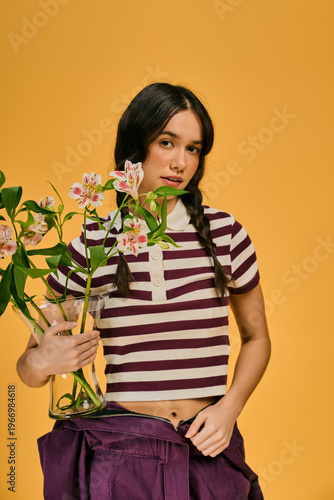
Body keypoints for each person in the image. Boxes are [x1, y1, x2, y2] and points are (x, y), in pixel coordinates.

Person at [17, 83, 271, 499]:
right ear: (136, 147)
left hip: (206, 448)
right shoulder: (91, 244)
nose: (179, 162)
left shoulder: (225, 234)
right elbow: (27, 370)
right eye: (167, 142)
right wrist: (43, 359)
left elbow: (258, 338)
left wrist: (230, 407)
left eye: (193, 148)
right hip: (121, 455)